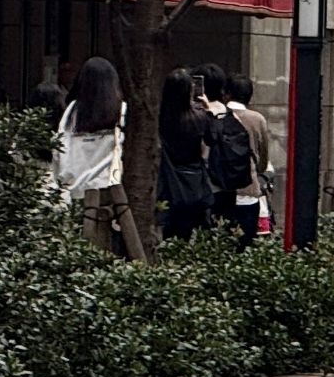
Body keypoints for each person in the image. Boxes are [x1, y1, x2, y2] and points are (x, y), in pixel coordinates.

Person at [50, 58, 148, 256]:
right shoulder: (121, 110)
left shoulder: (72, 112)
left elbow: (60, 150)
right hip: (112, 196)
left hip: (76, 192)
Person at [207, 73, 268, 245]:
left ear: (226, 93)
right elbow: (263, 157)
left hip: (219, 189)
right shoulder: (257, 120)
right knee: (245, 244)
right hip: (248, 189)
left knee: (220, 244)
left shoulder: (216, 116)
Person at [158, 69, 217, 241]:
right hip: (194, 179)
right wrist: (208, 110)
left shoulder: (160, 117)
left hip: (167, 179)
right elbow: (212, 139)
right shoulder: (198, 118)